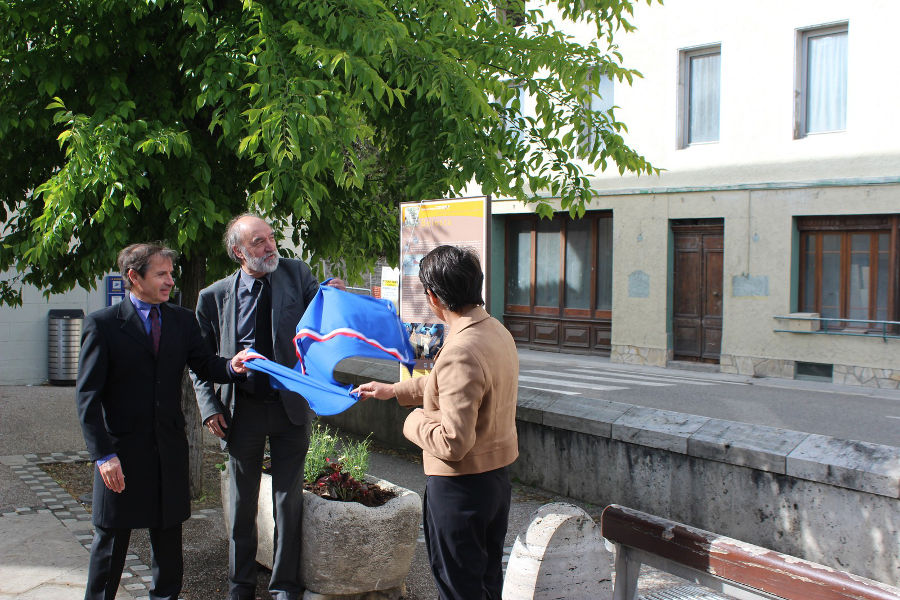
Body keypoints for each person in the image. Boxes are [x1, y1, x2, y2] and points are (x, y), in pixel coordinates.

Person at [76, 243, 250, 600]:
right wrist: (103, 456)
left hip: (168, 451)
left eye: (172, 273)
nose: (171, 280)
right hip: (120, 455)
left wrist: (232, 366)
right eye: (161, 274)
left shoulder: (181, 320)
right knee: (110, 545)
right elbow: (87, 400)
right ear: (133, 277)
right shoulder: (102, 326)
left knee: (169, 547)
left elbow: (205, 365)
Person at [352, 245, 519, 600]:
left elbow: (453, 442)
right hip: (494, 482)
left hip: (461, 489)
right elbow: (450, 386)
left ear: (433, 296)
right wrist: (394, 390)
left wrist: (412, 421)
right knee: (486, 583)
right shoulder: (494, 331)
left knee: (459, 588)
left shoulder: (461, 348)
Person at [191, 214, 344, 600]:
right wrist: (209, 407)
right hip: (242, 411)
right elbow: (199, 362)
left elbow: (321, 314)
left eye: (271, 238)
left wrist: (335, 296)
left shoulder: (296, 273)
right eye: (259, 242)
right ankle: (240, 585)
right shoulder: (213, 297)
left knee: (287, 502)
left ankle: (284, 585)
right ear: (238, 252)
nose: (270, 246)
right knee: (242, 504)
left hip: (290, 408)